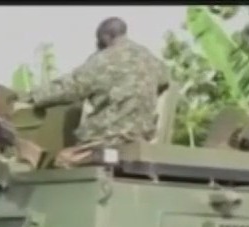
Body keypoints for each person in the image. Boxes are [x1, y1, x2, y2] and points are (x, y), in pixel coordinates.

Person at [24, 17, 170, 154]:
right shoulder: (152, 59)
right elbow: (165, 82)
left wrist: (34, 97)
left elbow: (71, 87)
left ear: (105, 37)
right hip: (141, 139)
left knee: (60, 160)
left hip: (107, 139)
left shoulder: (103, 59)